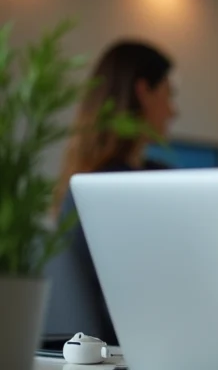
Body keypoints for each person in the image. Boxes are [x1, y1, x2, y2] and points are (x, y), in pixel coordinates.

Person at [43, 40, 177, 347]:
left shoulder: (84, 183)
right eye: (169, 94)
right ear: (143, 91)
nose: (173, 110)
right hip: (133, 346)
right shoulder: (127, 189)